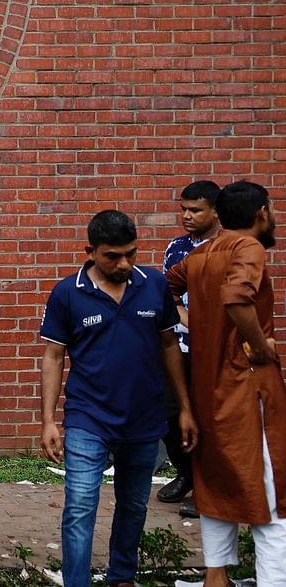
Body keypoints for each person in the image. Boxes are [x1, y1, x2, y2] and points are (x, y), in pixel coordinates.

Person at [40, 210, 198, 587]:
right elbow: (53, 356)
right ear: (90, 251)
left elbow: (169, 345)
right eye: (113, 255)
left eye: (131, 253)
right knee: (79, 507)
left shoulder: (153, 284)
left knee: (133, 505)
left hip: (145, 418)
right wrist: (48, 420)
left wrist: (186, 409)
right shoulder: (67, 292)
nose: (124, 263)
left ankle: (122, 577)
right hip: (87, 418)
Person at [165, 181, 286, 587]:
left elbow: (163, 288)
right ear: (262, 214)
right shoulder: (247, 248)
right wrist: (258, 344)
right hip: (246, 387)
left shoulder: (200, 256)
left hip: (207, 388)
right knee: (273, 495)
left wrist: (191, 322)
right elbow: (237, 298)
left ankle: (216, 578)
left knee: (215, 484)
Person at [158, 180, 221, 518]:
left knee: (207, 418)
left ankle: (207, 488)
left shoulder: (230, 248)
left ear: (215, 211)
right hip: (175, 344)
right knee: (169, 412)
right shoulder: (177, 247)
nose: (186, 216)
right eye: (183, 209)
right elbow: (165, 290)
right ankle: (185, 473)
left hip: (212, 350)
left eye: (195, 210)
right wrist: (182, 316)